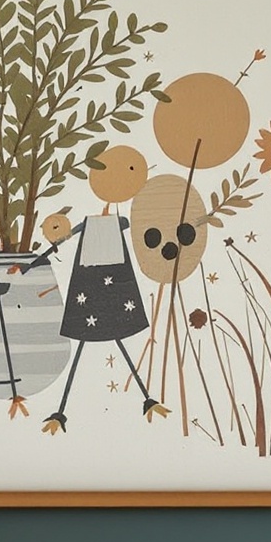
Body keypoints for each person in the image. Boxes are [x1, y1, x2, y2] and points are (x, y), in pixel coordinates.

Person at [41, 146, 169, 436]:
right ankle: (61, 412)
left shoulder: (112, 223)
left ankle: (146, 399)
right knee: (92, 343)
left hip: (111, 285)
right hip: (90, 286)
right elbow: (62, 237)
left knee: (114, 339)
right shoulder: (97, 224)